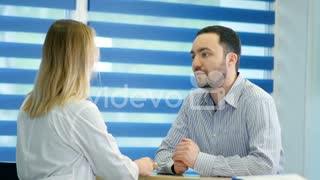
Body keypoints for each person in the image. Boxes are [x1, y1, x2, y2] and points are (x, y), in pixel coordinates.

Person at [16, 19, 156, 180]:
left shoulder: (27, 106)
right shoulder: (80, 110)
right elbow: (116, 171)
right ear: (83, 59)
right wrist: (138, 166)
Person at [155, 25, 283, 176]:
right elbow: (164, 153)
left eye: (205, 54)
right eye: (193, 56)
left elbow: (264, 165)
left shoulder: (258, 101)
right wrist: (173, 166)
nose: (195, 64)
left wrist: (198, 160)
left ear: (231, 59)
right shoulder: (192, 101)